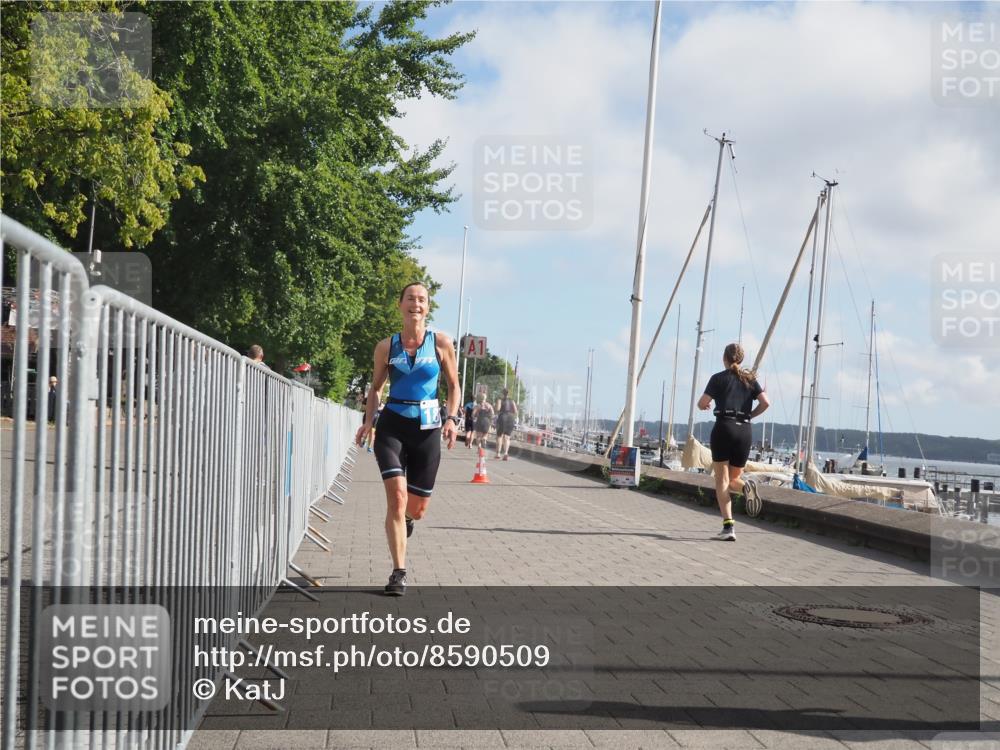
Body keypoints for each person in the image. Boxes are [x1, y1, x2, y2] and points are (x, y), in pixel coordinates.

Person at [354, 283, 460, 596]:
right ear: (400, 305)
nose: (416, 303)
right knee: (397, 500)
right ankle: (399, 572)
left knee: (417, 508)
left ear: (428, 307)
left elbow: (454, 386)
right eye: (410, 298)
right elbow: (375, 389)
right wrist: (369, 420)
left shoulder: (440, 342)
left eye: (422, 299)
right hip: (392, 427)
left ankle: (407, 521)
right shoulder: (387, 347)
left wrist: (452, 420)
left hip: (427, 431)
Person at [697, 342, 770, 541]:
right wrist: (749, 415)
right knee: (734, 479)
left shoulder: (718, 378)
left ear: (725, 358)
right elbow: (766, 402)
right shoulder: (750, 380)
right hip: (744, 430)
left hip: (724, 428)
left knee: (721, 480)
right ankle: (746, 486)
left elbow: (702, 403)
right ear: (741, 359)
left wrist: (707, 406)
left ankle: (728, 528)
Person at [494, 387, 518, 460]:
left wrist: (495, 406)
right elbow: (516, 411)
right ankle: (505, 453)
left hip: (503, 417)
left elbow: (497, 409)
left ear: (502, 393)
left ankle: (498, 454)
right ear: (508, 393)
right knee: (507, 437)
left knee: (499, 436)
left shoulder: (500, 400)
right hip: (511, 418)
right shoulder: (512, 401)